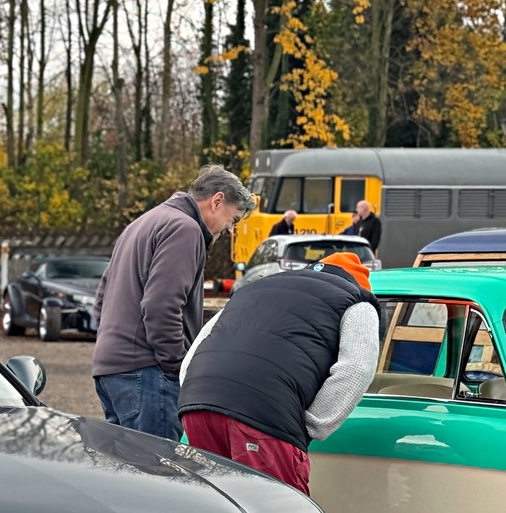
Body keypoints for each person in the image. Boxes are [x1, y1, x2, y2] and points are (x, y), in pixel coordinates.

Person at [177, 250, 379, 494]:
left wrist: (194, 395)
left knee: (219, 512)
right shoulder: (358, 302)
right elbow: (357, 369)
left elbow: (193, 355)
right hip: (265, 416)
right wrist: (311, 425)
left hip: (197, 406)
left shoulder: (254, 289)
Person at [92, 165, 255, 441]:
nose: (229, 229)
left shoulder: (142, 223)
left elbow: (101, 300)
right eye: (233, 219)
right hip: (148, 375)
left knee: (127, 477)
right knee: (159, 477)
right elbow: (161, 306)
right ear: (217, 201)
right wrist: (177, 365)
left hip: (111, 372)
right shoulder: (185, 229)